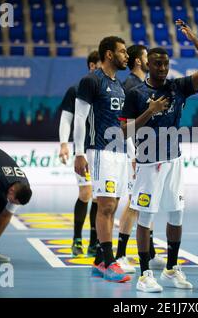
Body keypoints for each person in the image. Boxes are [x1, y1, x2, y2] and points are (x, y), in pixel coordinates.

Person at [120, 19, 198, 293]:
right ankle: (143, 275)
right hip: (148, 164)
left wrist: (195, 41)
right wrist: (149, 112)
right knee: (146, 218)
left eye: (165, 64)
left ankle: (171, 269)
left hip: (174, 161)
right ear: (147, 65)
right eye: (157, 64)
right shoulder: (136, 93)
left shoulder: (179, 87)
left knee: (176, 215)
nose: (162, 68)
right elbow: (123, 131)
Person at [74, 36, 131, 283]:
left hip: (119, 154)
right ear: (109, 54)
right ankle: (109, 262)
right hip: (99, 151)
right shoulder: (91, 80)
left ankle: (99, 261)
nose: (126, 55)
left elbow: (124, 124)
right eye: (122, 51)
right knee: (105, 207)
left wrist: (133, 155)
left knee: (113, 206)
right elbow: (79, 118)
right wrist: (78, 153)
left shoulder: (119, 85)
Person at [115, 44, 166, 273]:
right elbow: (125, 125)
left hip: (147, 154)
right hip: (134, 154)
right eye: (147, 57)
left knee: (148, 202)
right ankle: (120, 255)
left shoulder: (145, 85)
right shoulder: (131, 87)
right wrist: (132, 154)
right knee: (134, 204)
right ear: (139, 61)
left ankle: (151, 252)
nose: (150, 61)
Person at [58, 50, 101, 257]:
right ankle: (77, 239)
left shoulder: (108, 88)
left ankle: (94, 241)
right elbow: (67, 119)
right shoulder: (76, 89)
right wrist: (64, 144)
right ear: (92, 66)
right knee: (85, 193)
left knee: (99, 197)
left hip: (103, 150)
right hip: (83, 150)